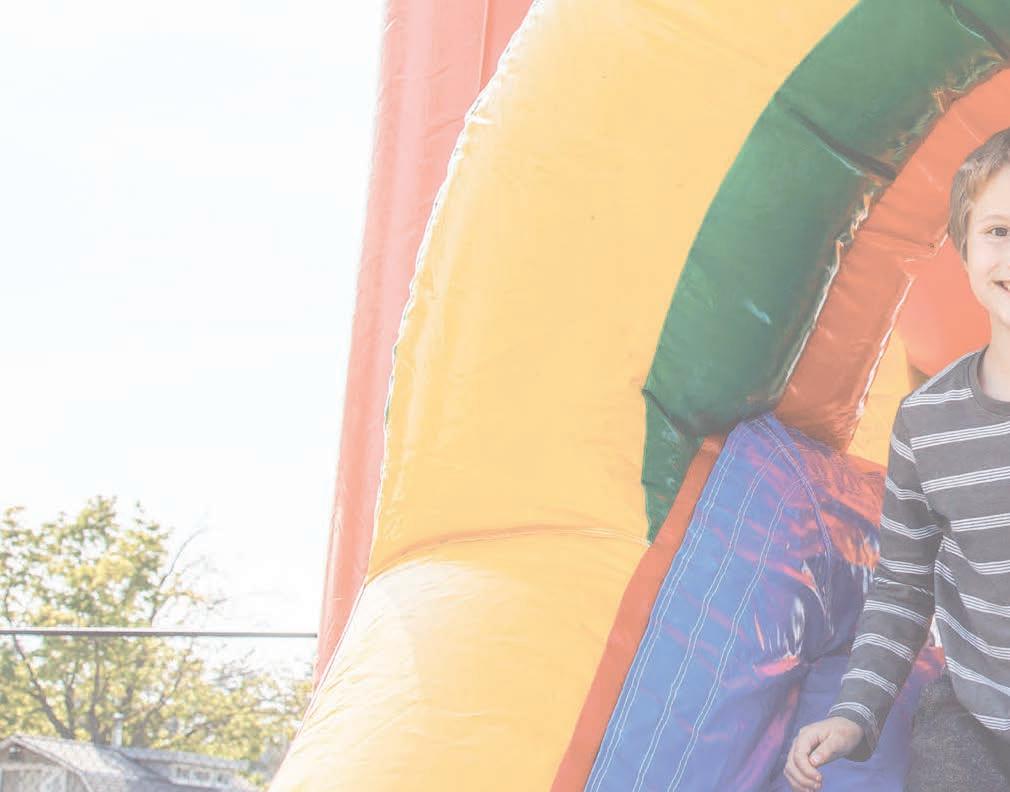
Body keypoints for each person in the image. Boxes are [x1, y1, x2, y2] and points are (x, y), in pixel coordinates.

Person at [783, 127, 1010, 792]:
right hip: (978, 721)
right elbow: (905, 586)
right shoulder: (927, 422)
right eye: (998, 231)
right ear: (962, 249)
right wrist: (855, 713)